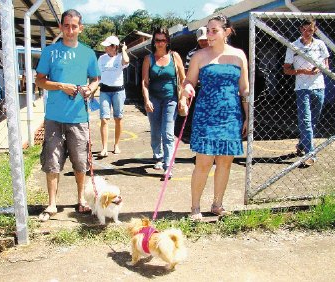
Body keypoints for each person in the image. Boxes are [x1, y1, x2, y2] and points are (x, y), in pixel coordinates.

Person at [180, 15, 249, 219]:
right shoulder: (199, 56)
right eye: (208, 30)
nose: (209, 35)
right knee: (203, 162)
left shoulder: (239, 56)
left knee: (225, 162)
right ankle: (195, 207)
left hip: (231, 116)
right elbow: (189, 81)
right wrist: (187, 92)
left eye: (214, 30)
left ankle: (217, 204)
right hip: (206, 115)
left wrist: (248, 116)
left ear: (226, 32)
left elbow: (244, 88)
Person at [35, 9, 100, 221]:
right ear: (61, 27)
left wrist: (91, 89)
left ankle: (81, 199)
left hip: (79, 117)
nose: (70, 30)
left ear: (80, 28)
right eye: (66, 26)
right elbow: (40, 80)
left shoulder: (88, 53)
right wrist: (61, 86)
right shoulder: (50, 52)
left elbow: (95, 79)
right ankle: (52, 203)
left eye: (74, 26)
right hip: (54, 116)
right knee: (52, 160)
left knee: (81, 161)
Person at [283, 18, 329, 167]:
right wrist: (301, 71)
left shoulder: (320, 44)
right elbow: (286, 69)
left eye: (310, 30)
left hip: (319, 86)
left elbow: (326, 64)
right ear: (300, 29)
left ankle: (302, 145)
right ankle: (310, 154)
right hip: (302, 88)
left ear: (314, 30)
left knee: (313, 121)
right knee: (306, 121)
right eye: (303, 29)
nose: (306, 32)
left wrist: (319, 68)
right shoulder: (293, 46)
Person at [141, 27, 186, 181]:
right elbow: (144, 82)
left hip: (171, 99)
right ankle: (158, 156)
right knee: (155, 132)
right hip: (154, 99)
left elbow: (183, 78)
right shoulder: (149, 59)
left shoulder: (175, 57)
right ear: (154, 41)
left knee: (167, 133)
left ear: (167, 41)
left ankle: (168, 166)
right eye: (157, 40)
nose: (160, 43)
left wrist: (182, 98)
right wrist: (146, 100)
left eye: (163, 40)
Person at [97, 35, 130, 157]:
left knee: (118, 118)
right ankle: (104, 148)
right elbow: (97, 75)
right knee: (104, 119)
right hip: (104, 91)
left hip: (118, 91)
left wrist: (123, 50)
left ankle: (116, 145)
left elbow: (126, 61)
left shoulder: (121, 57)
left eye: (107, 46)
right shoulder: (101, 59)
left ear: (114, 47)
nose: (105, 48)